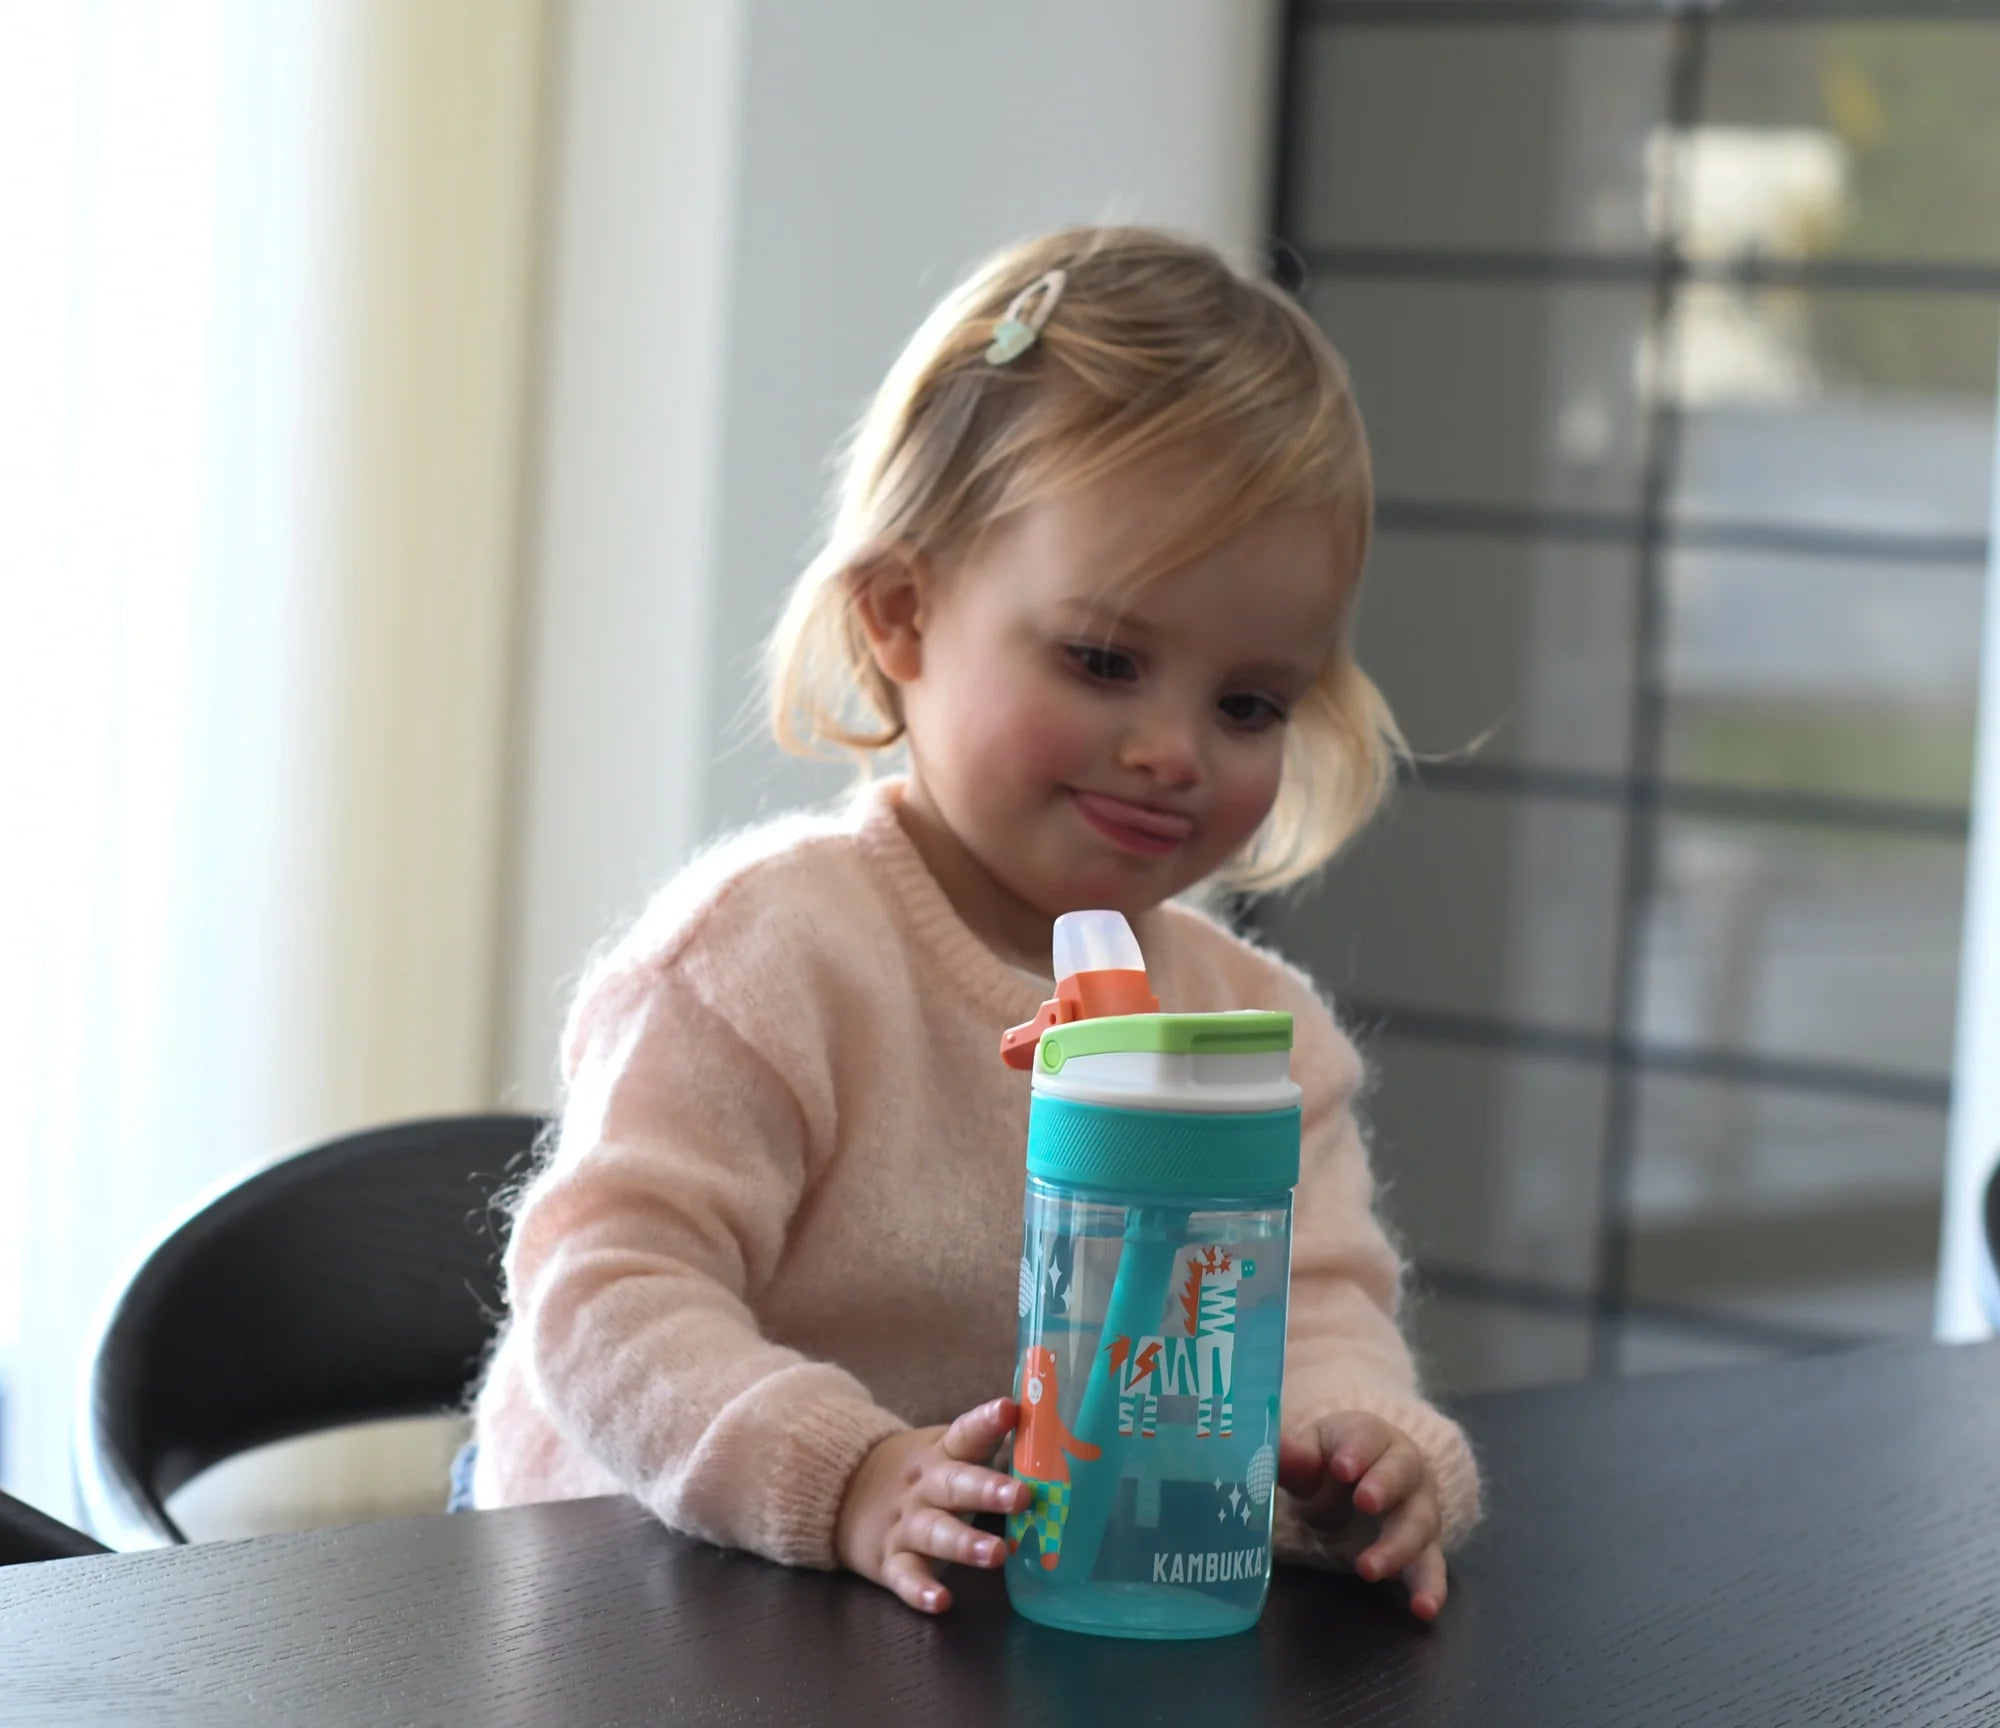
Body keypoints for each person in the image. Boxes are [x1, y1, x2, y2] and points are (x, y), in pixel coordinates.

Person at [465, 225, 1481, 1621]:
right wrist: (847, 1474)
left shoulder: (1262, 1039)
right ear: (901, 615)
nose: (1174, 751)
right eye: (1104, 660)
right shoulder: (767, 958)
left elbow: (1313, 1316)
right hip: (640, 1597)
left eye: (1248, 704)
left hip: (976, 1615)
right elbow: (608, 1290)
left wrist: (1356, 1453)